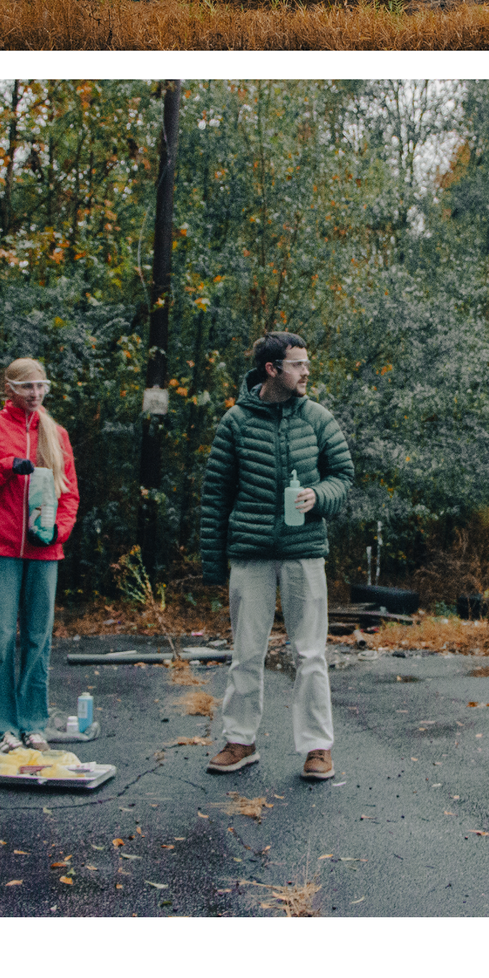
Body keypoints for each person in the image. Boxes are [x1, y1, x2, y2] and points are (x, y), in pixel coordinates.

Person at [199, 331, 354, 781]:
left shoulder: (319, 419)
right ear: (272, 370)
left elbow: (342, 477)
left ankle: (317, 748)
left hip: (304, 552)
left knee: (309, 653)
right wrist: (213, 563)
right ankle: (240, 741)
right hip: (250, 554)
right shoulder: (235, 422)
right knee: (246, 653)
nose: (306, 372)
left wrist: (318, 496)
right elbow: (216, 496)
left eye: (307, 363)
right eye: (298, 365)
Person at [0, 358, 81, 748]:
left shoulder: (56, 433)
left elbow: (70, 494)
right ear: (8, 389)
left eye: (41, 386)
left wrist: (57, 532)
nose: (36, 393)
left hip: (44, 552)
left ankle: (32, 724)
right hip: (0, 547)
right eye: (27, 387)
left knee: (37, 639)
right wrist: (7, 466)